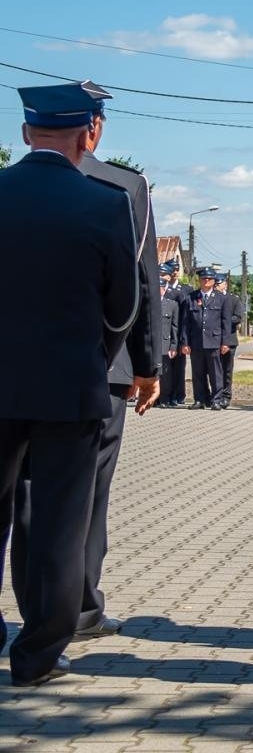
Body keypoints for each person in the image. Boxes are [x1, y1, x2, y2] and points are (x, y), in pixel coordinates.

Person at [0, 83, 146, 686]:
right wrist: (94, 356)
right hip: (71, 387)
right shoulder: (104, 203)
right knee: (61, 523)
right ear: (91, 134)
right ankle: (38, 656)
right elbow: (122, 306)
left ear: (26, 133)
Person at [189, 270, 226, 410]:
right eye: (203, 278)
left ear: (213, 281)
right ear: (199, 280)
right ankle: (199, 399)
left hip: (214, 341)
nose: (206, 281)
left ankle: (216, 400)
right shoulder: (192, 297)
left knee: (215, 373)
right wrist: (185, 342)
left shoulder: (221, 298)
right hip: (197, 341)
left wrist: (225, 342)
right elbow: (186, 322)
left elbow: (225, 322)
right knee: (198, 373)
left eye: (209, 278)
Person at [159, 267, 186, 408]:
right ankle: (155, 398)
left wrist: (174, 346)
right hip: (152, 344)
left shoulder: (172, 304)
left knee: (166, 374)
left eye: (161, 288)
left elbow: (175, 327)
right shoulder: (148, 302)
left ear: (165, 288)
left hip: (165, 342)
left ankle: (165, 398)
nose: (160, 290)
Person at [215, 276, 243, 409]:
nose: (216, 286)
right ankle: (216, 395)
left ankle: (226, 396)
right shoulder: (212, 299)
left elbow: (238, 317)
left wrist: (222, 320)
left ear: (225, 284)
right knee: (215, 370)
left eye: (218, 283)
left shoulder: (233, 299)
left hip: (229, 340)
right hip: (214, 339)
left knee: (227, 370)